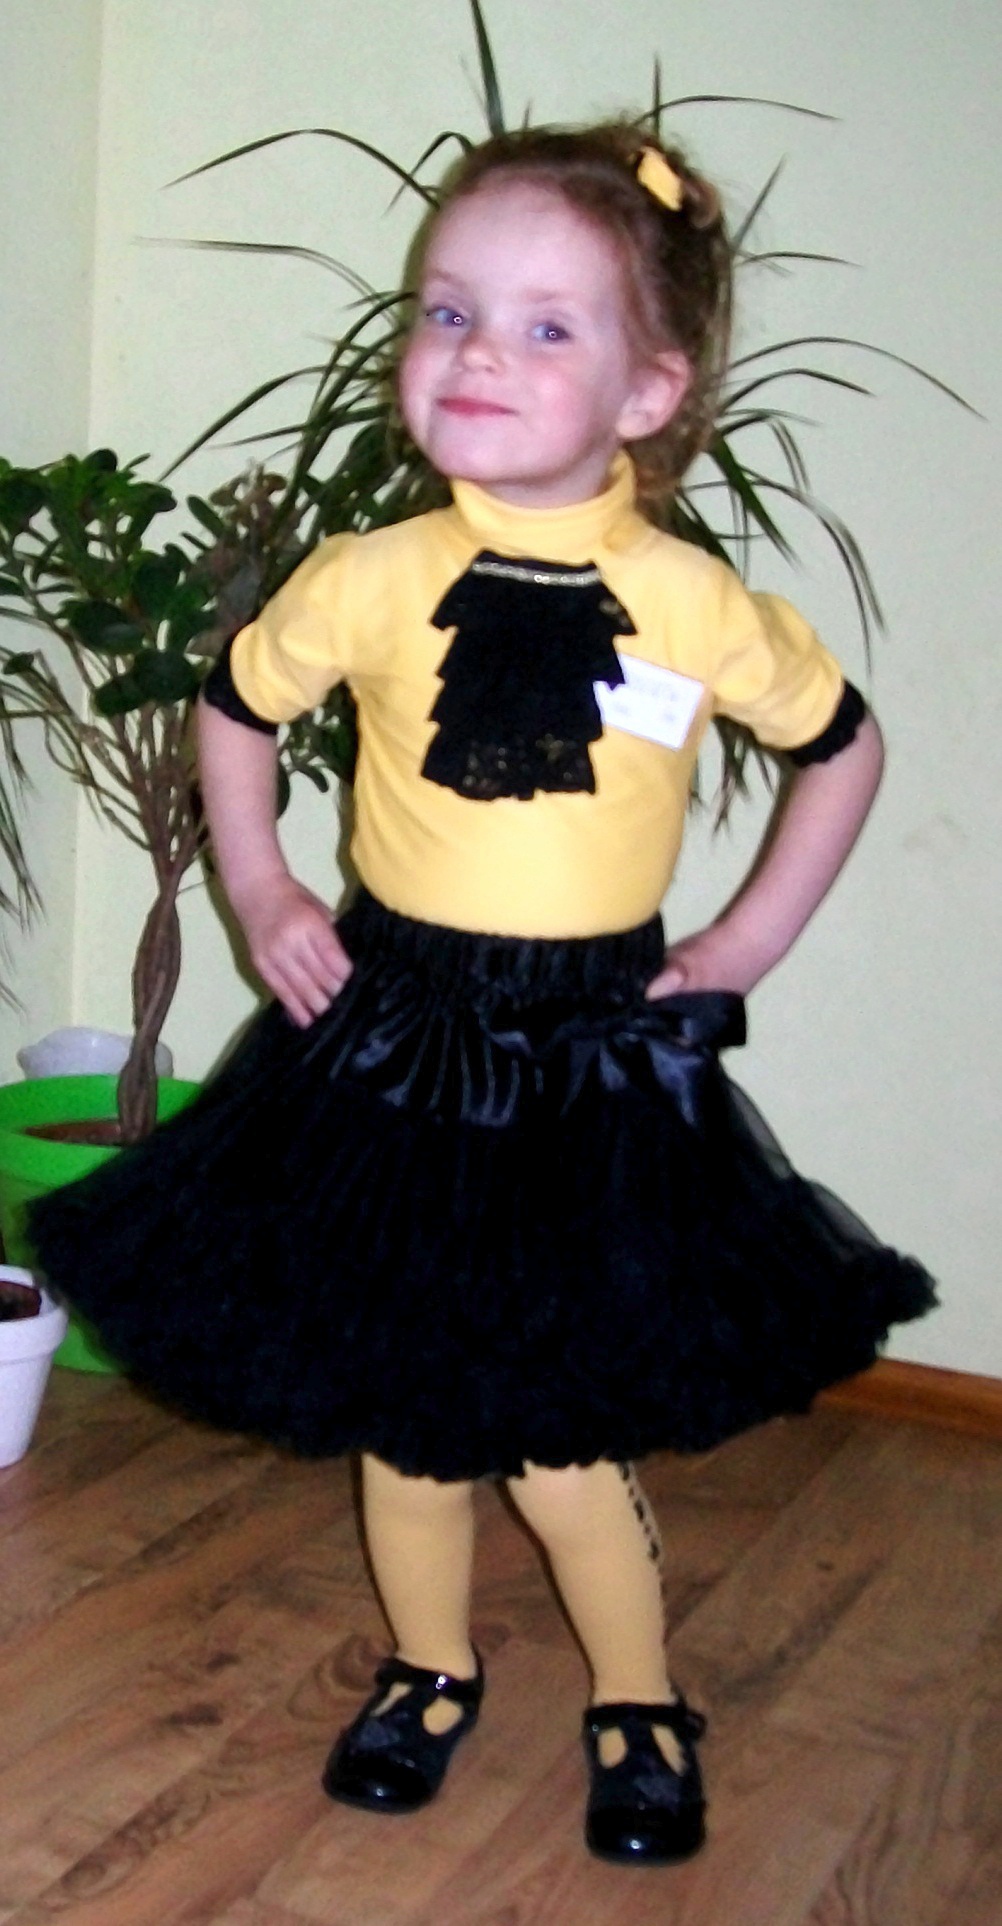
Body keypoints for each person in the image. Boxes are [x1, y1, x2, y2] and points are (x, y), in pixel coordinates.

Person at [29, 123, 936, 1868]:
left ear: (647, 392)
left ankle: (638, 1695)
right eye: (446, 312)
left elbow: (840, 747)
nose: (476, 354)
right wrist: (262, 884)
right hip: (387, 1036)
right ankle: (428, 1664)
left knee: (558, 1432)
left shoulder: (690, 603)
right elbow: (236, 707)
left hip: (583, 1058)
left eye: (543, 326)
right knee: (406, 1411)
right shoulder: (371, 574)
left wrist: (743, 942)